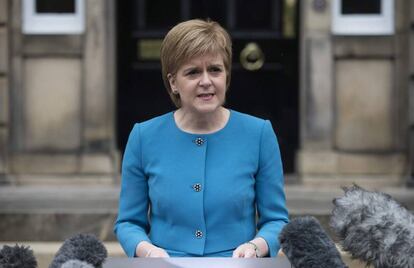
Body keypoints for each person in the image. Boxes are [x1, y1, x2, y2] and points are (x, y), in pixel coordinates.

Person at [114, 19, 289, 258]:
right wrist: (149, 252)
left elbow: (276, 219)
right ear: (173, 82)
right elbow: (128, 223)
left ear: (226, 76)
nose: (206, 81)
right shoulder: (143, 137)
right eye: (193, 72)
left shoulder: (259, 134)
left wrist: (256, 247)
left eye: (215, 69)